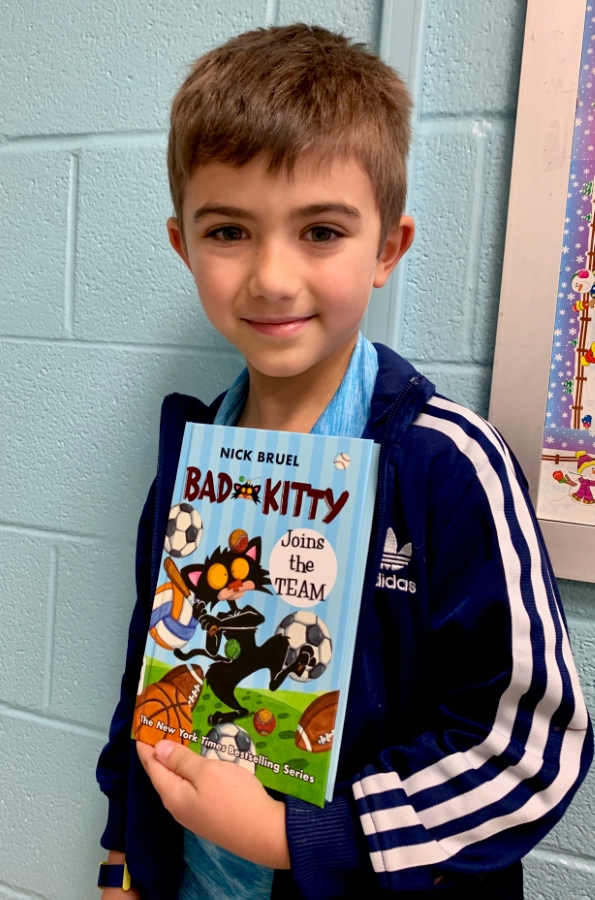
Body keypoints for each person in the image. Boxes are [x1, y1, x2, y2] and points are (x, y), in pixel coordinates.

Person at [96, 23, 593, 900]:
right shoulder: (192, 457)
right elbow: (153, 664)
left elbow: (531, 752)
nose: (272, 278)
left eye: (320, 231)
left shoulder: (444, 466)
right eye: (229, 232)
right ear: (182, 246)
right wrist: (124, 847)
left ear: (387, 250)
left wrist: (308, 835)